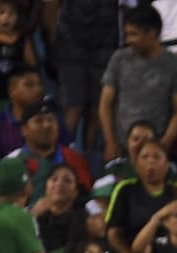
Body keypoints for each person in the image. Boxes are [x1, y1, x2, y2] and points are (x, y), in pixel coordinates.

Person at [98, 5, 177, 164]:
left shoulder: (174, 64)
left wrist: (164, 145)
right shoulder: (119, 59)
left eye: (134, 34)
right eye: (127, 34)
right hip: (121, 149)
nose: (128, 40)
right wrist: (110, 141)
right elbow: (105, 104)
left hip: (157, 150)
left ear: (152, 33)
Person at [44, 0, 124, 150]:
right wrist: (52, 42)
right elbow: (51, 6)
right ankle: (63, 157)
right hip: (71, 48)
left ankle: (88, 160)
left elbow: (126, 8)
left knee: (96, 110)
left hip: (104, 48)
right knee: (74, 107)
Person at [8, 100, 93, 204]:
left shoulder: (74, 158)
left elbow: (86, 197)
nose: (46, 125)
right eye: (39, 121)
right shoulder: (12, 163)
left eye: (51, 120)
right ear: (24, 130)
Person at [0, 66, 48, 165]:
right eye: (29, 85)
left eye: (39, 84)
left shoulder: (52, 122)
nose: (38, 90)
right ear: (12, 91)